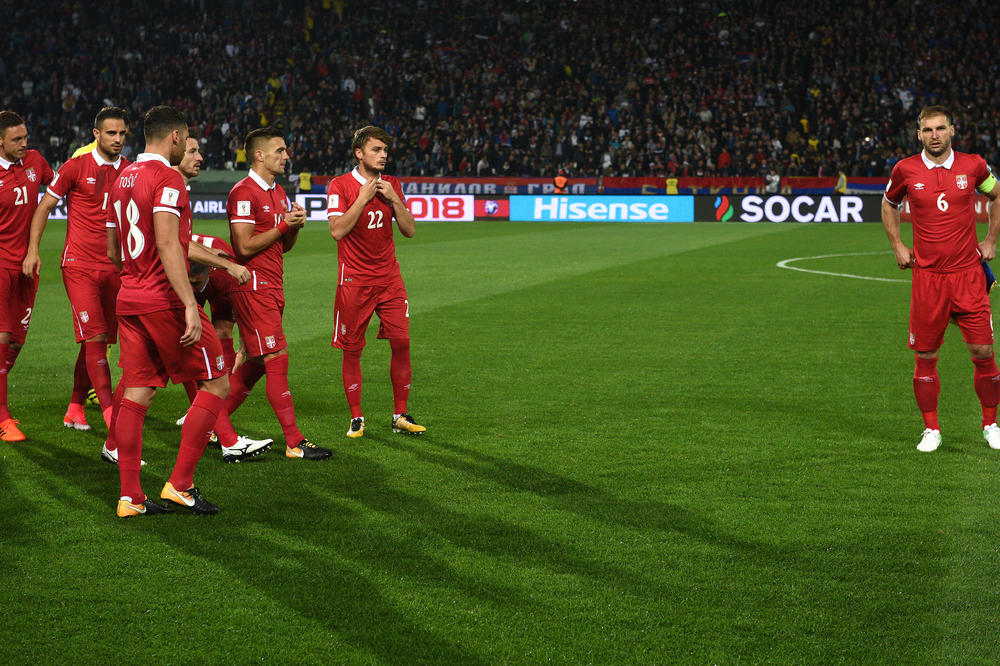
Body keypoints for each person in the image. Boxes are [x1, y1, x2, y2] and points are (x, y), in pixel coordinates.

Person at [106, 105, 231, 517]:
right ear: (175, 137)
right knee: (216, 384)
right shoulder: (167, 178)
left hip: (130, 296)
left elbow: (113, 249)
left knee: (137, 393)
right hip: (163, 300)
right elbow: (167, 243)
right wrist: (191, 304)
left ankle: (130, 498)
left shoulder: (121, 176)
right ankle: (180, 485)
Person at [882, 105, 1000, 452]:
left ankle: (991, 423)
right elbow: (889, 204)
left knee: (983, 351)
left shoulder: (974, 165)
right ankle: (931, 429)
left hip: (967, 275)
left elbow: (995, 194)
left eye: (940, 128)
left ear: (952, 130)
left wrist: (992, 238)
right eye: (927, 130)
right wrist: (898, 246)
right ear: (918, 134)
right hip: (928, 278)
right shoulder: (905, 169)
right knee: (927, 355)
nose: (934, 135)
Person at [212, 126, 331, 460]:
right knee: (277, 357)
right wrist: (282, 226)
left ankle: (211, 423)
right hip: (252, 287)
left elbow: (282, 246)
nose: (286, 156)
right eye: (280, 150)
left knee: (256, 363)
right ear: (259, 155)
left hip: (273, 287)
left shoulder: (279, 193)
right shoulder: (243, 192)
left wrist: (292, 227)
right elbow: (243, 246)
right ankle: (294, 441)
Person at [23, 107, 131, 434]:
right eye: (111, 133)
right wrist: (33, 250)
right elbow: (44, 207)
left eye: (122, 133)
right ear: (96, 134)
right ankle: (112, 415)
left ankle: (75, 407)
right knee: (96, 336)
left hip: (115, 268)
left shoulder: (131, 170)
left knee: (92, 342)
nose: (117, 139)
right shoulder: (75, 167)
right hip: (79, 265)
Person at [172, 135, 271, 463]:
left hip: (197, 279)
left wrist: (245, 344)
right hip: (163, 293)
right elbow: (177, 244)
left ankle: (212, 425)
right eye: (192, 151)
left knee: (143, 379)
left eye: (200, 150)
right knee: (193, 365)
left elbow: (236, 324)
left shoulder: (224, 279)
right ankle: (223, 435)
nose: (200, 157)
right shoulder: (170, 189)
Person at [327, 125, 426, 438]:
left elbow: (409, 230)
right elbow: (336, 230)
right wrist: (362, 198)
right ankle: (357, 417)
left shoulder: (392, 184)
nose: (383, 156)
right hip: (355, 281)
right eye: (376, 150)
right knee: (352, 348)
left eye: (385, 151)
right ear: (359, 153)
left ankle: (400, 414)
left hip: (389, 279)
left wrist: (395, 199)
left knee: (402, 342)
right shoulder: (339, 185)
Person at [0, 110, 54, 442]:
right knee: (2, 337)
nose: (24, 143)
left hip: (28, 266)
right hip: (1, 266)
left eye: (25, 137)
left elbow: (61, 185)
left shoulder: (35, 161)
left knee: (17, 339)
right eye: (16, 139)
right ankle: (3, 417)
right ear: (0, 140)